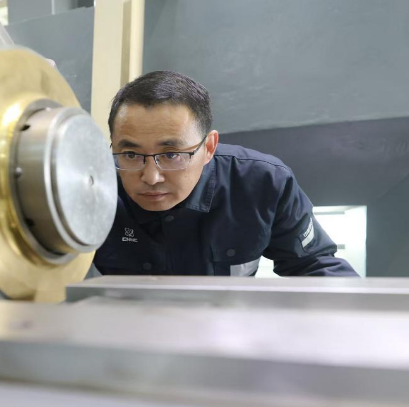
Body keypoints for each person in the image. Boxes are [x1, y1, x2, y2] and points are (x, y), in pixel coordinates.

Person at [93, 71, 358, 277]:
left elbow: (314, 266)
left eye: (172, 155)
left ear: (209, 147)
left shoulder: (263, 183)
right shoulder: (92, 188)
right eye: (131, 155)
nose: (151, 177)